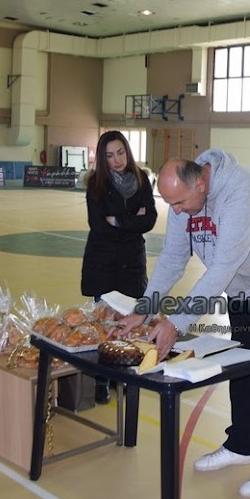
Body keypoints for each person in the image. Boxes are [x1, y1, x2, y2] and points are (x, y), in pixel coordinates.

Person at [116, 149, 250, 498]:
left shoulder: (241, 190)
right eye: (170, 204)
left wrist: (175, 323)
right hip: (242, 285)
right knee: (244, 365)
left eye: (179, 203)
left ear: (201, 184)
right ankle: (241, 446)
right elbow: (173, 258)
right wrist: (143, 310)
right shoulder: (183, 197)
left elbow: (222, 268)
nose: (176, 211)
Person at [81, 131, 157, 403]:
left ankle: (123, 373)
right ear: (103, 158)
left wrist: (119, 221)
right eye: (110, 155)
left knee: (130, 320)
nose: (117, 160)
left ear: (128, 151)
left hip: (132, 262)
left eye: (121, 152)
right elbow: (98, 225)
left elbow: (150, 219)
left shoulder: (142, 179)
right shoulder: (96, 184)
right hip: (103, 263)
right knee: (105, 321)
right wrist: (132, 221)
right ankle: (101, 379)